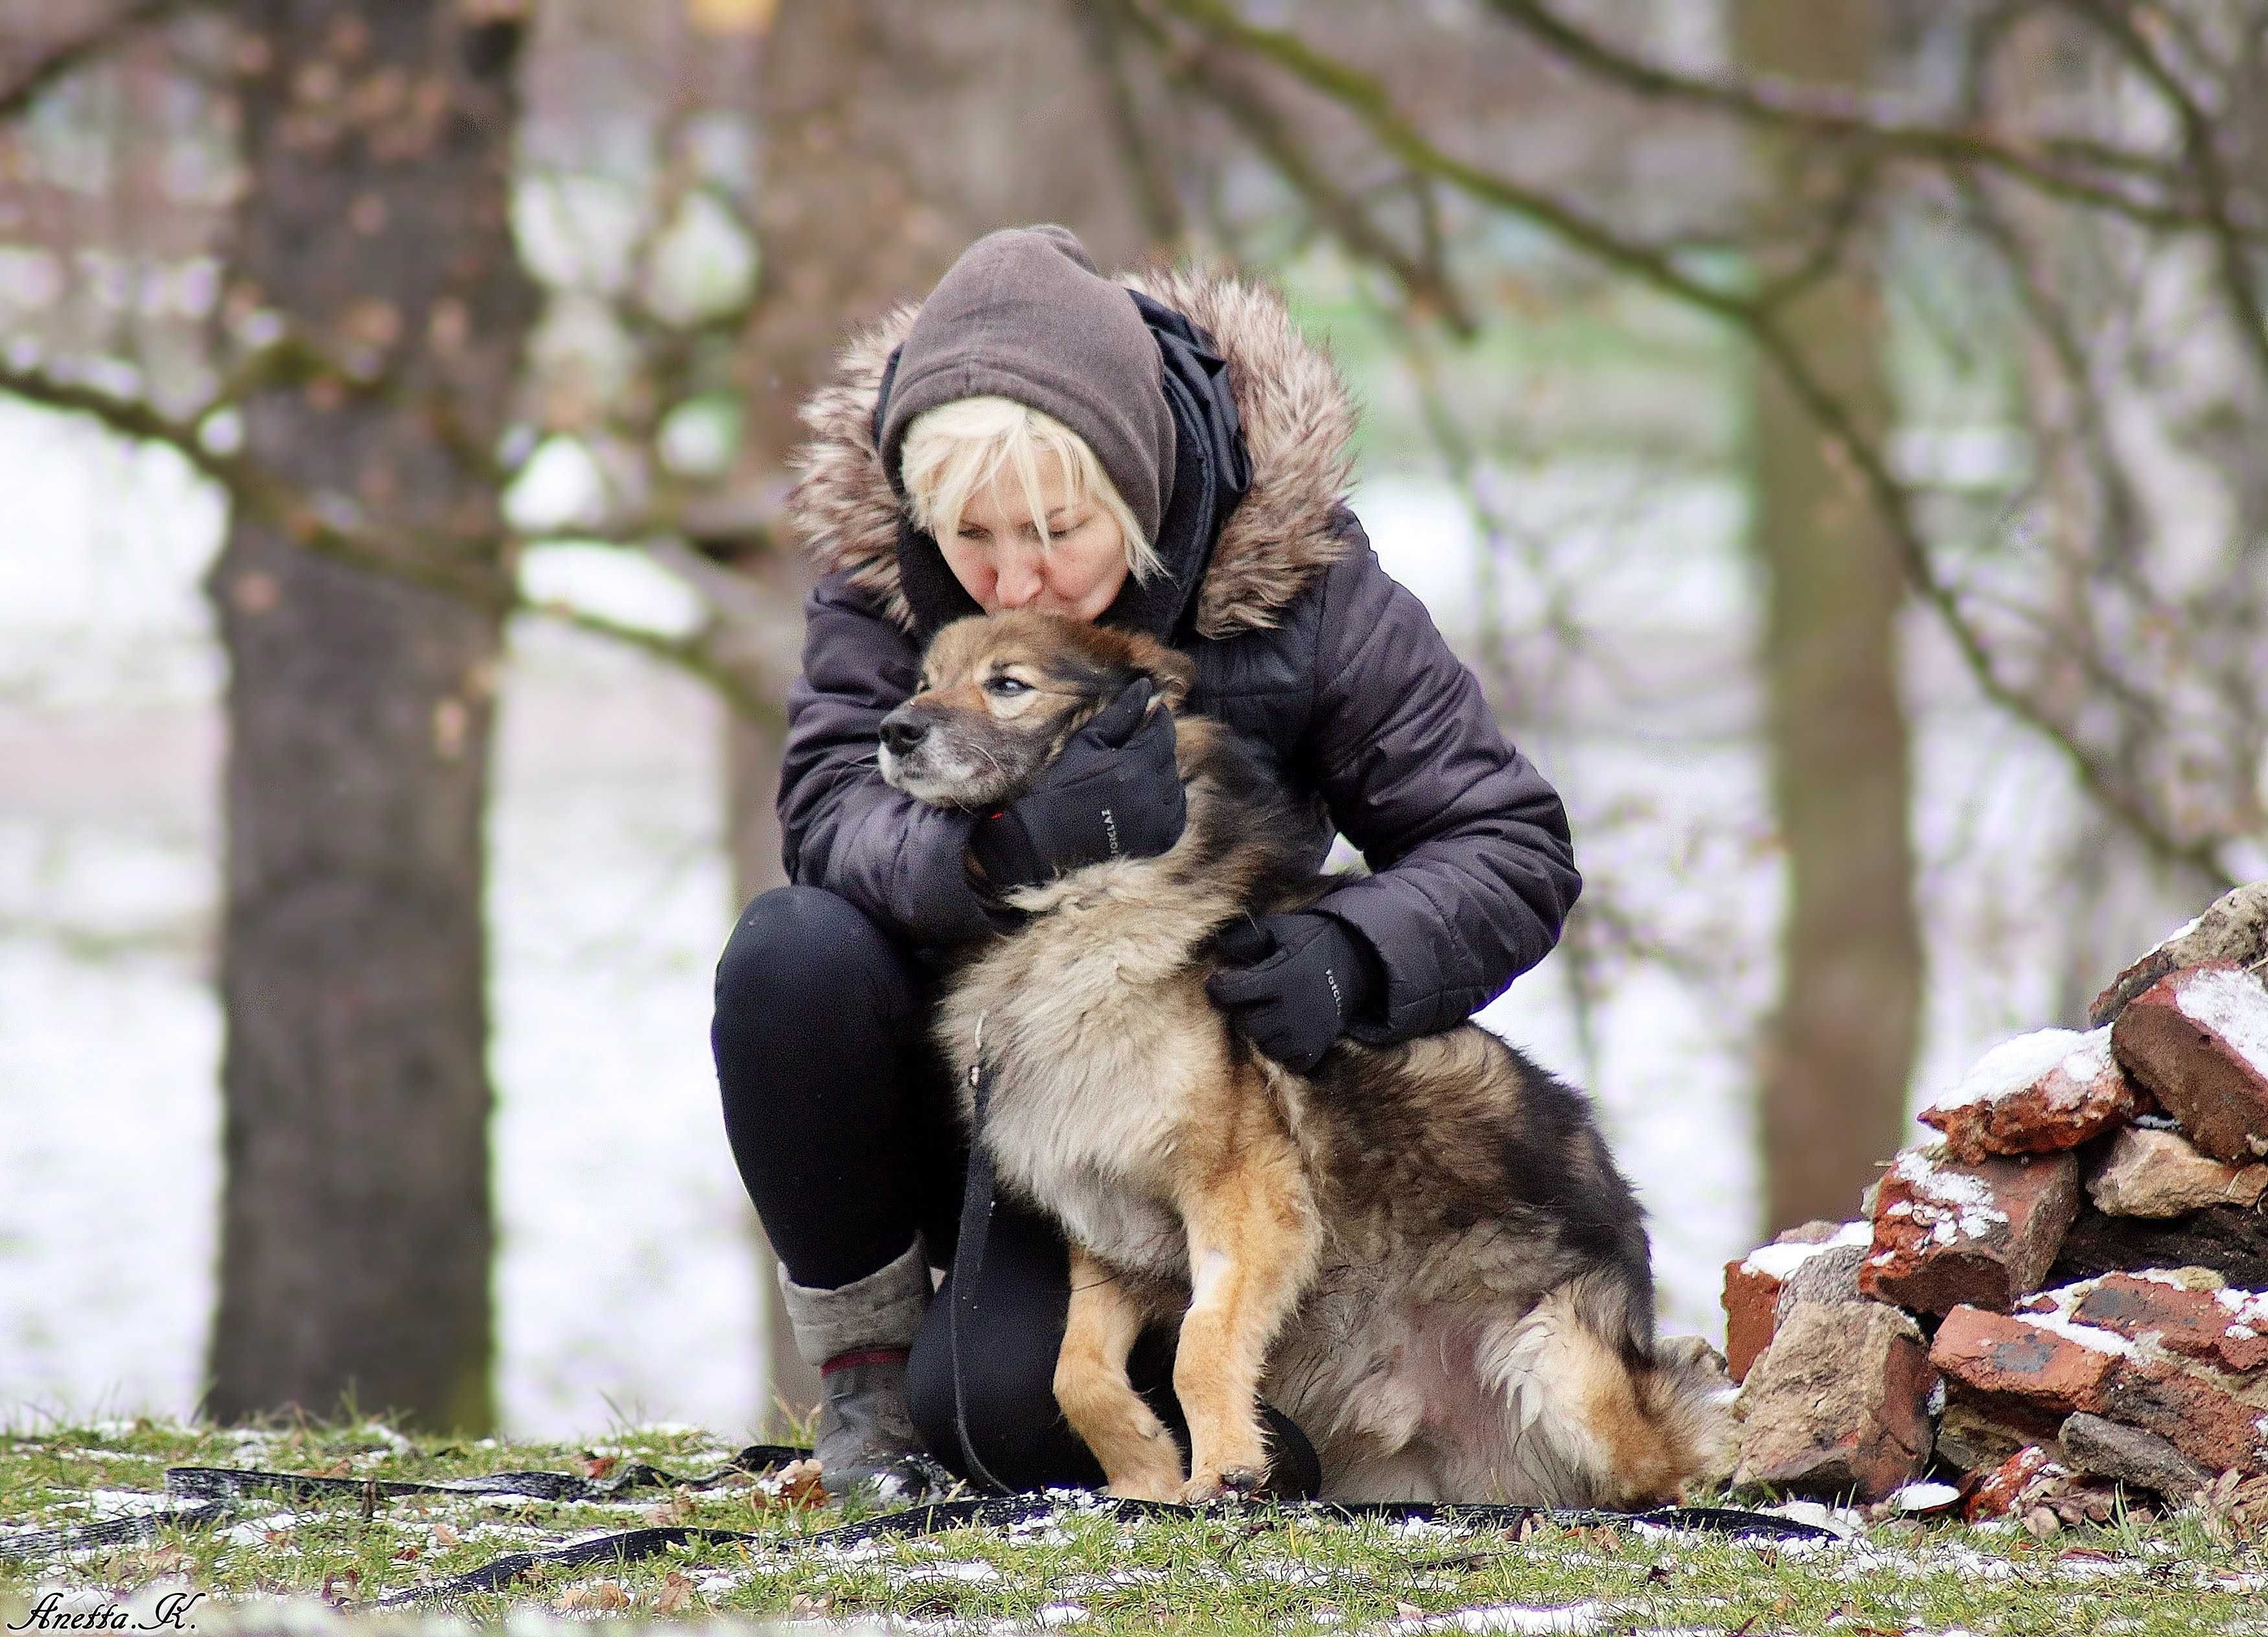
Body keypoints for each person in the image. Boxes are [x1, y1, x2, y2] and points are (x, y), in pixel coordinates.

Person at [711, 225, 1582, 1499]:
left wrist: (1350, 953)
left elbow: (1505, 844)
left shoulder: (1298, 574)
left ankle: (1349, 1425)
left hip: (1201, 1103)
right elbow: (831, 815)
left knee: (1020, 1418)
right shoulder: (883, 580)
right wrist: (992, 857)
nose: (1015, 575)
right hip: (990, 1091)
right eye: (972, 539)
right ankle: (871, 1398)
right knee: (789, 957)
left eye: (1056, 529)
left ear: (1135, 481)